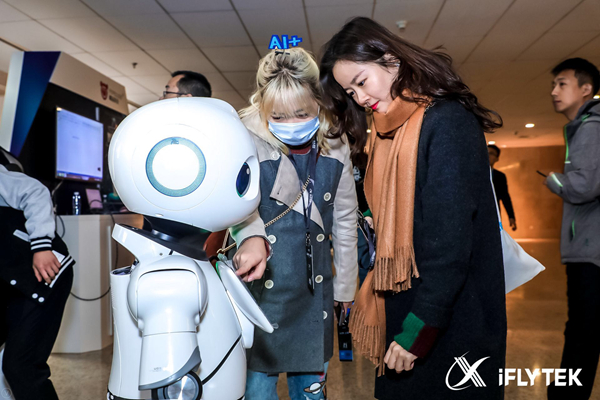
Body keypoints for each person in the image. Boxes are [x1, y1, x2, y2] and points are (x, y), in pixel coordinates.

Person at [320, 17, 506, 399]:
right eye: (348, 91)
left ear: (390, 59)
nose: (357, 97)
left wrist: (416, 332)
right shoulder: (386, 134)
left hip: (447, 321)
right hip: (404, 307)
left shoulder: (446, 120)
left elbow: (449, 241)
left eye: (360, 81)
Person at [232, 47, 358, 400]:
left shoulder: (335, 144)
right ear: (263, 109)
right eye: (279, 116)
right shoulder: (244, 141)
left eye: (301, 113)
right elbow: (233, 207)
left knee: (312, 392)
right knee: (256, 391)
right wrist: (251, 236)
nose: (290, 124)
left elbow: (346, 218)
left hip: (313, 290)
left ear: (318, 103)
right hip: (260, 287)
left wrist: (346, 288)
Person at [545, 57, 600, 400]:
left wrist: (553, 180)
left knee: (582, 329)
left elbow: (583, 186)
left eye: (562, 83)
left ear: (586, 88)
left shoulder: (591, 127)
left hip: (591, 250)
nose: (553, 91)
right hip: (591, 247)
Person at [0, 148, 75, 400]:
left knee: (21, 366)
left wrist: (41, 245)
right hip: (12, 283)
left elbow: (35, 191)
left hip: (45, 274)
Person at [488, 144, 517, 230]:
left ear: (497, 158)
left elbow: (505, 196)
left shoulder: (500, 176)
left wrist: (511, 216)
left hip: (493, 212)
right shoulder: (474, 173)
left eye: (491, 153)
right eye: (486, 152)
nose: (487, 155)